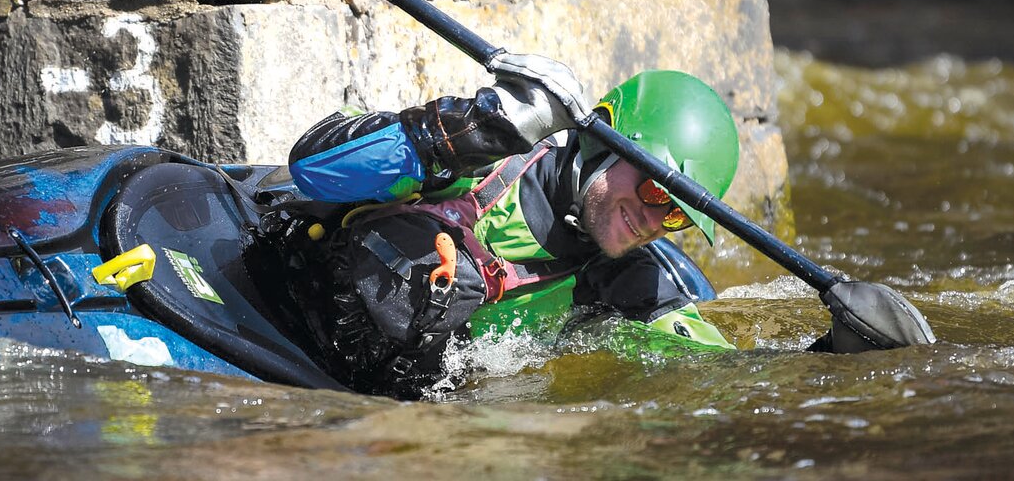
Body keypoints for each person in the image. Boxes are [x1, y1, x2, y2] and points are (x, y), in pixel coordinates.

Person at [269, 54, 741, 397]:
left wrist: (815, 353)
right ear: (605, 144)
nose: (653, 221)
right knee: (450, 272)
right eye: (656, 191)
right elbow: (313, 166)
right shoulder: (482, 160)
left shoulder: (631, 278)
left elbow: (726, 374)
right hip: (282, 295)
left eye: (676, 214)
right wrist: (473, 126)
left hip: (382, 400)